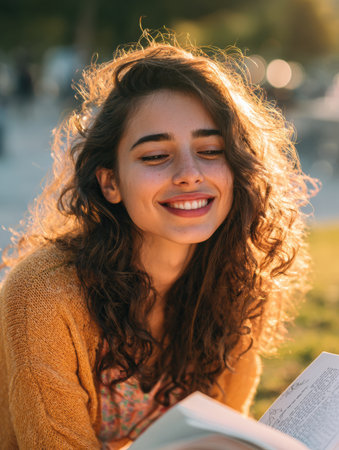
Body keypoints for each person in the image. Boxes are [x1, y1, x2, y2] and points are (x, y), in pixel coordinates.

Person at [0, 34, 317, 449]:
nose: (189, 173)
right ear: (110, 182)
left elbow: (226, 424)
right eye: (155, 156)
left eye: (210, 150)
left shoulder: (236, 284)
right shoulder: (42, 294)